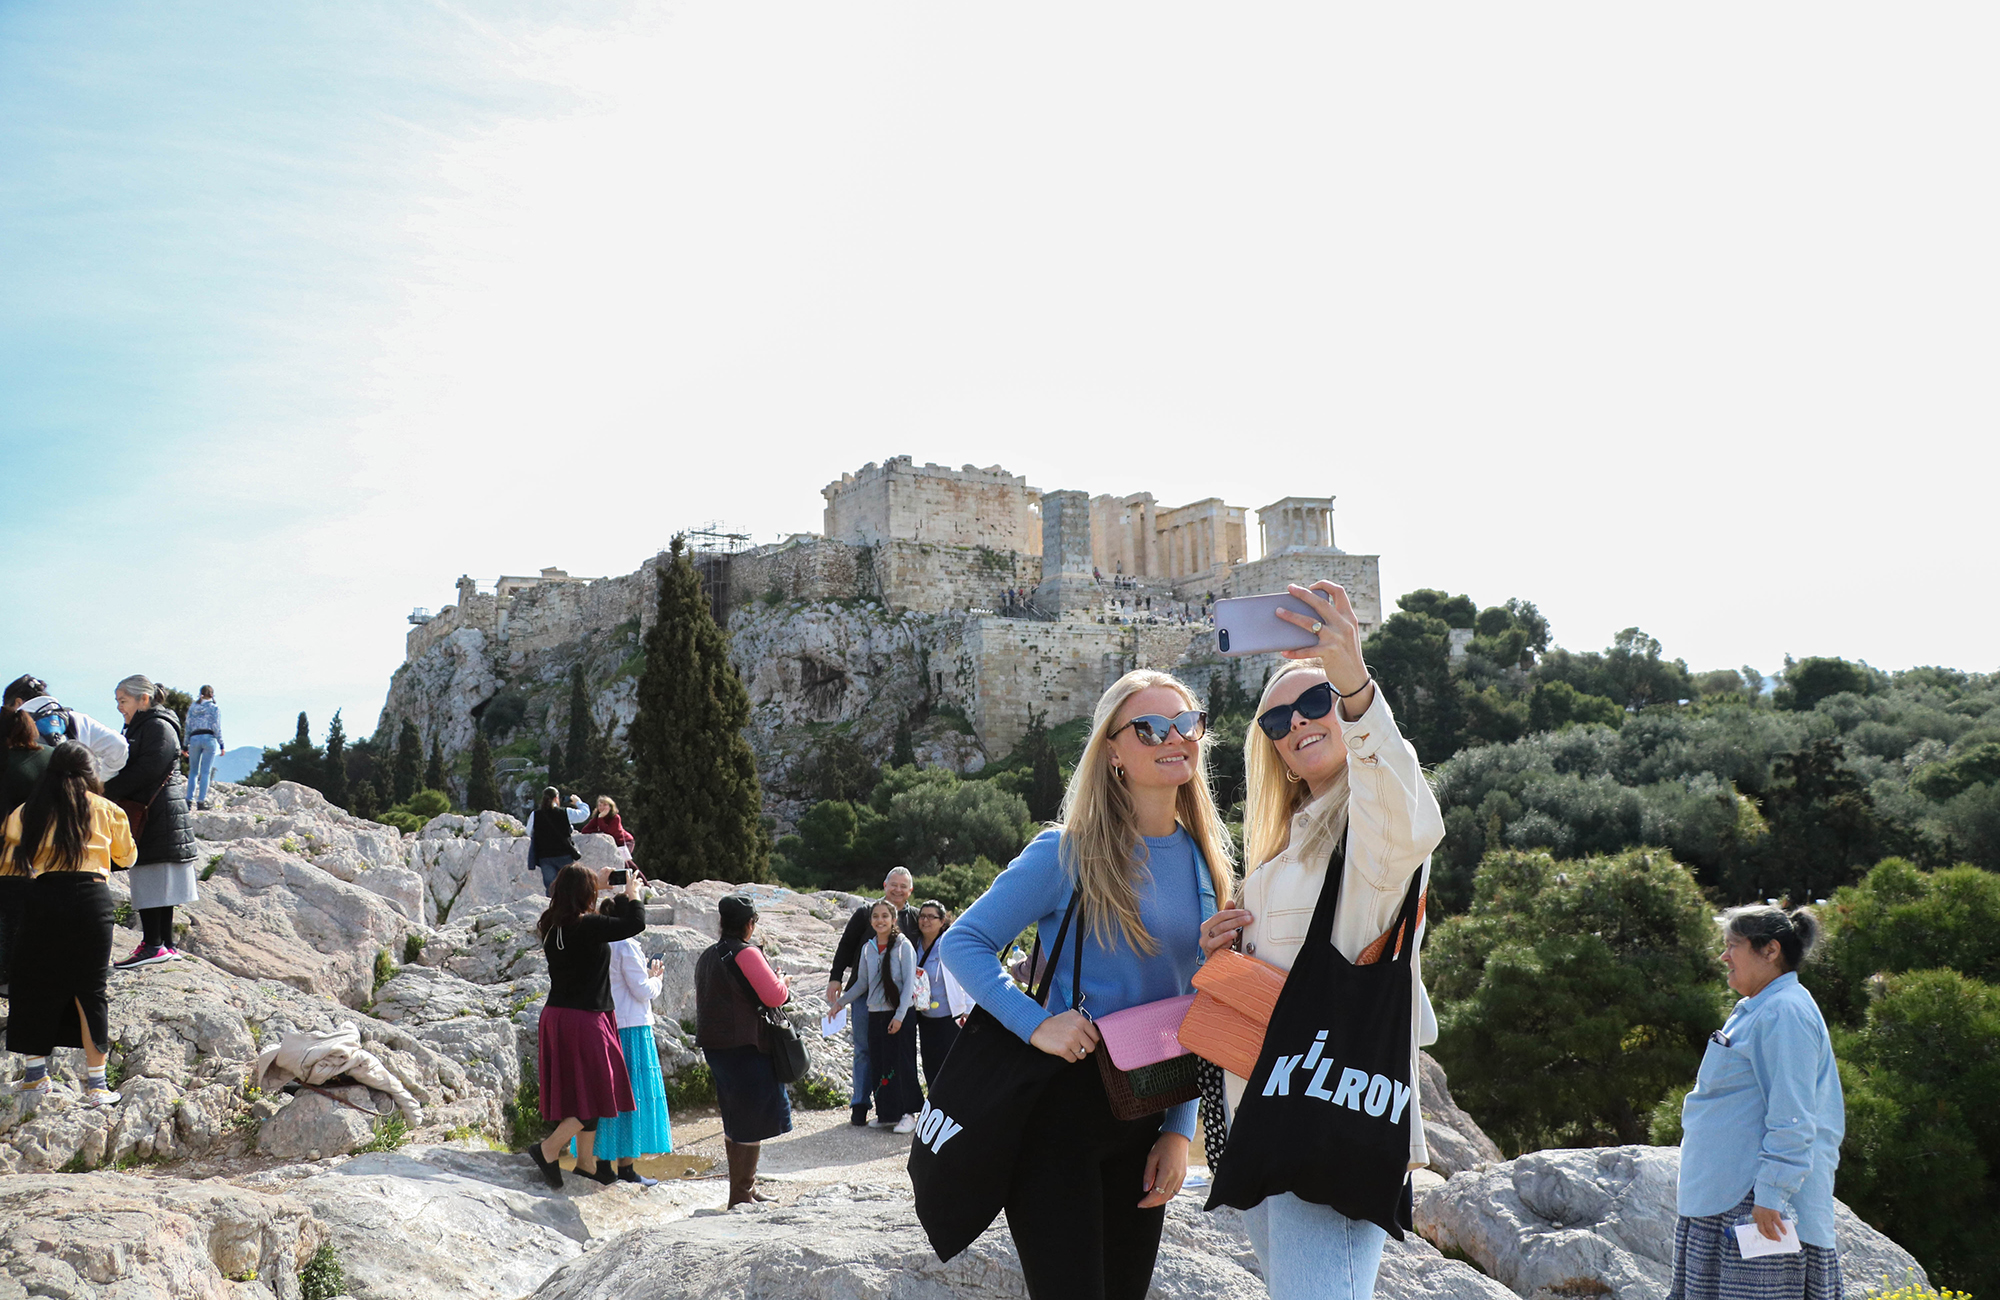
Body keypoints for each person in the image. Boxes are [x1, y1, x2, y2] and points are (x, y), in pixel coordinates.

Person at [941, 669, 1232, 1300]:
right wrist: (1035, 1022)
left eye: (1187, 724)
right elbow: (961, 943)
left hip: (1148, 1108)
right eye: (1151, 727)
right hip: (1060, 1110)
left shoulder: (1207, 857)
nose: (1173, 738)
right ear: (1113, 749)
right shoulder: (1068, 851)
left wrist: (1180, 1131)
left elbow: (1199, 1003)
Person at [1194, 581, 1444, 1300]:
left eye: (1315, 702)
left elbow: (1406, 815)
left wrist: (1354, 683)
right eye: (1276, 718)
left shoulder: (1373, 829)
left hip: (1328, 1114)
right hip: (1268, 1115)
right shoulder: (1282, 847)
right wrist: (1226, 951)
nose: (1296, 722)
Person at [1671, 904, 1845, 1300]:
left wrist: (1771, 1197)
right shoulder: (1763, 1007)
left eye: (1733, 945)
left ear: (1770, 951)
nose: (1724, 956)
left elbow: (1794, 1116)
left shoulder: (1785, 1012)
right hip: (1728, 1201)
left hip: (1754, 1208)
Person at [3, 741, 137, 1105]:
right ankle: (96, 1086)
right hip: (91, 900)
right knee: (90, 989)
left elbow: (10, 858)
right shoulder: (108, 809)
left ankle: (35, 1077)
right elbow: (127, 855)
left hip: (44, 897)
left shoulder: (28, 811)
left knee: (32, 982)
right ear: (89, 772)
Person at [524, 863, 646, 1191]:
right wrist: (631, 895)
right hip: (585, 1019)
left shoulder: (553, 925)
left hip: (558, 1016)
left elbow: (576, 902)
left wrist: (599, 885)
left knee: (582, 1089)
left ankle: (586, 1163)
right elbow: (635, 923)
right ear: (585, 895)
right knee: (598, 1091)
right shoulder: (587, 926)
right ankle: (549, 1149)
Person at [695, 893, 793, 1207]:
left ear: (722, 922)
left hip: (716, 1046)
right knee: (751, 1119)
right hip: (746, 1047)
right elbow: (775, 996)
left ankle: (744, 1189)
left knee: (735, 1117)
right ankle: (741, 1194)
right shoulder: (746, 953)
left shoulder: (708, 955)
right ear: (749, 925)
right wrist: (782, 980)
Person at [104, 675, 197, 969]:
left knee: (151, 876)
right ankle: (164, 944)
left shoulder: (156, 726)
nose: (120, 707)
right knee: (157, 879)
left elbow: (147, 770)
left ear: (143, 699)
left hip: (157, 813)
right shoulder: (150, 725)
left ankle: (154, 944)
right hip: (158, 812)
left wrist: (103, 790)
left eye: (123, 701)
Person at [827, 866, 921, 1126]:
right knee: (865, 1050)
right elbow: (846, 945)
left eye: (903, 886)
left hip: (899, 1001)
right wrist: (836, 980)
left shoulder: (913, 920)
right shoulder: (864, 915)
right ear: (884, 885)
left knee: (897, 1054)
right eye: (894, 884)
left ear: (910, 890)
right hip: (866, 998)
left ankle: (900, 1111)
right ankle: (862, 1105)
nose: (898, 890)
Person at [590, 896, 673, 1185]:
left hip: (609, 1023)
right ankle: (626, 1168)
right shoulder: (626, 945)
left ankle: (602, 1164)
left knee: (610, 1096)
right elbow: (641, 991)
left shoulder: (602, 941)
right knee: (633, 1096)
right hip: (633, 1027)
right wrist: (657, 978)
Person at [0, 708, 51, 996]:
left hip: (6, 854)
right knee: (23, 920)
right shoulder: (50, 756)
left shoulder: (6, 761)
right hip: (42, 854)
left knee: (6, 919)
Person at [3, 676, 128, 781]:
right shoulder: (78, 719)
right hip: (72, 799)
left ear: (18, 702)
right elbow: (119, 745)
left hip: (25, 801)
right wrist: (93, 779)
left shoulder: (12, 723)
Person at [912, 898, 972, 1089]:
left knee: (952, 1064)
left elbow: (967, 976)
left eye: (932, 916)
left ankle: (955, 1109)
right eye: (922, 916)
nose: (925, 920)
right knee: (929, 1063)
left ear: (942, 921)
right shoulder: (912, 944)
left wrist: (969, 1008)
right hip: (924, 1015)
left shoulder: (949, 945)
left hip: (950, 1016)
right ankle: (934, 1107)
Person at [526, 788, 588, 894]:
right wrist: (578, 802)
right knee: (568, 886)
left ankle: (553, 907)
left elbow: (528, 831)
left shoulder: (535, 814)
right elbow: (584, 814)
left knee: (551, 887)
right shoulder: (564, 812)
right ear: (556, 798)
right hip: (564, 855)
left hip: (545, 856)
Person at [183, 686, 225, 810]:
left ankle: (189, 800)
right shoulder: (214, 708)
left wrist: (185, 745)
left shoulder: (193, 707)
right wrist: (221, 743)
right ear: (212, 695)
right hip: (209, 738)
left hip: (194, 738)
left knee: (193, 772)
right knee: (205, 772)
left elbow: (188, 726)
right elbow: (216, 727)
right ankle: (201, 802)